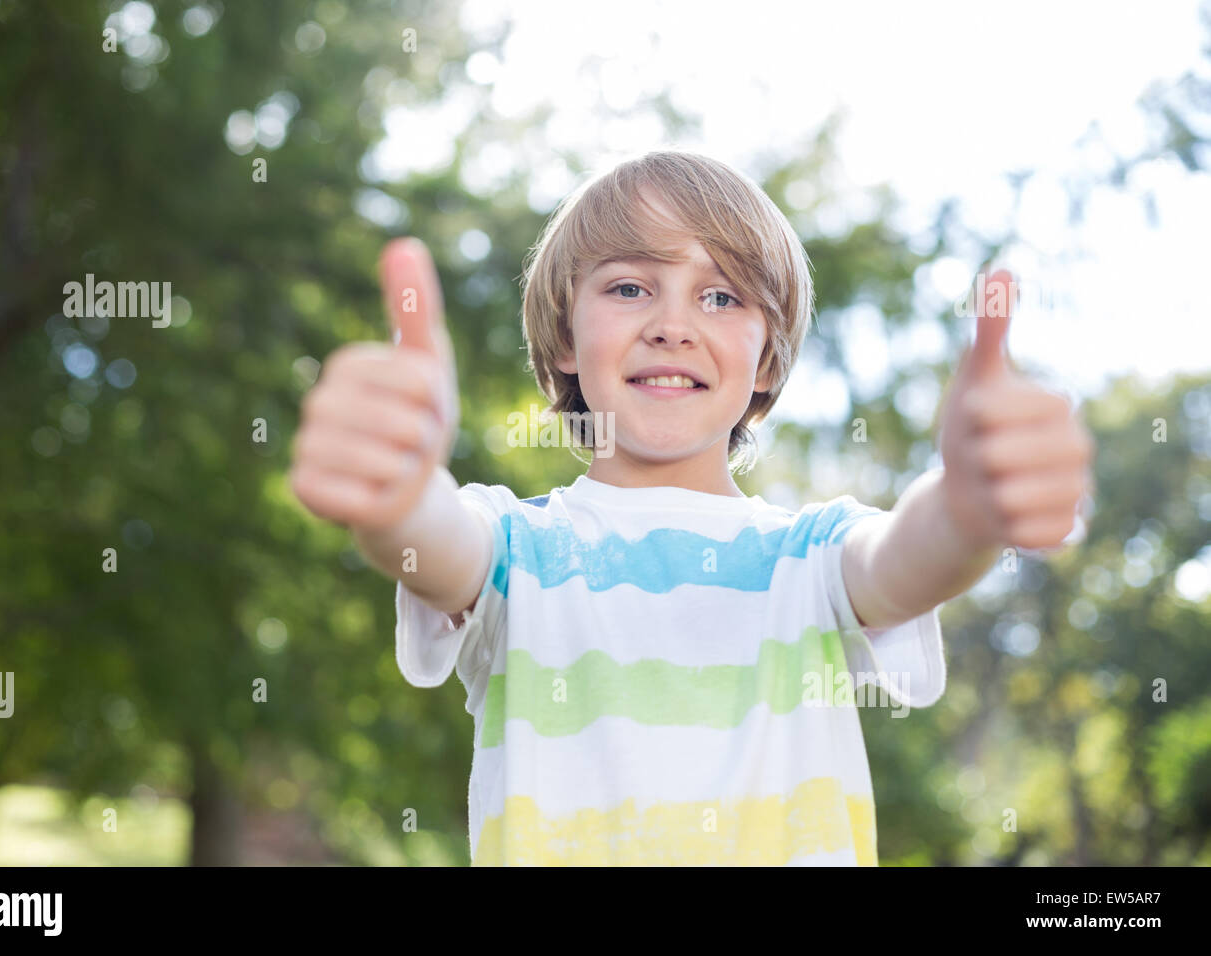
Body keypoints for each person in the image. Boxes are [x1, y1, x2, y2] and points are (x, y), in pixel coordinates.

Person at [289, 149, 1094, 865]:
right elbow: (433, 544)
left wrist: (967, 505)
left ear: (768, 358)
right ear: (566, 339)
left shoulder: (812, 558)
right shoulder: (516, 549)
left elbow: (909, 558)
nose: (673, 325)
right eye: (631, 286)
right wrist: (393, 494)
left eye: (721, 298)